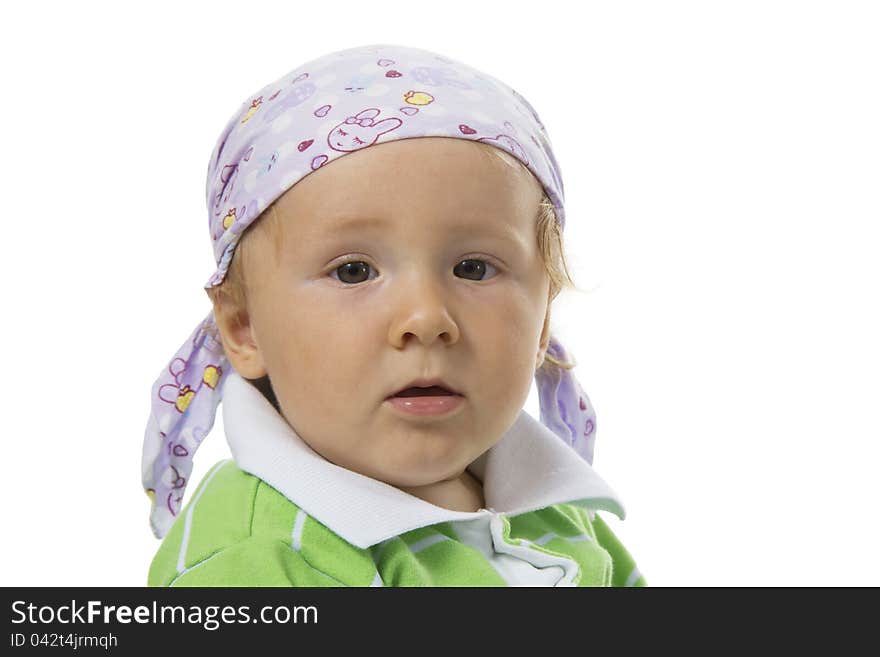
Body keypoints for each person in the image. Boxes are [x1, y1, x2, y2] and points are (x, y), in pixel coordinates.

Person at [142, 44, 646, 587]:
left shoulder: (559, 514)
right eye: (354, 271)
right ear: (244, 327)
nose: (428, 318)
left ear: (543, 318)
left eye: (474, 268)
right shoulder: (255, 561)